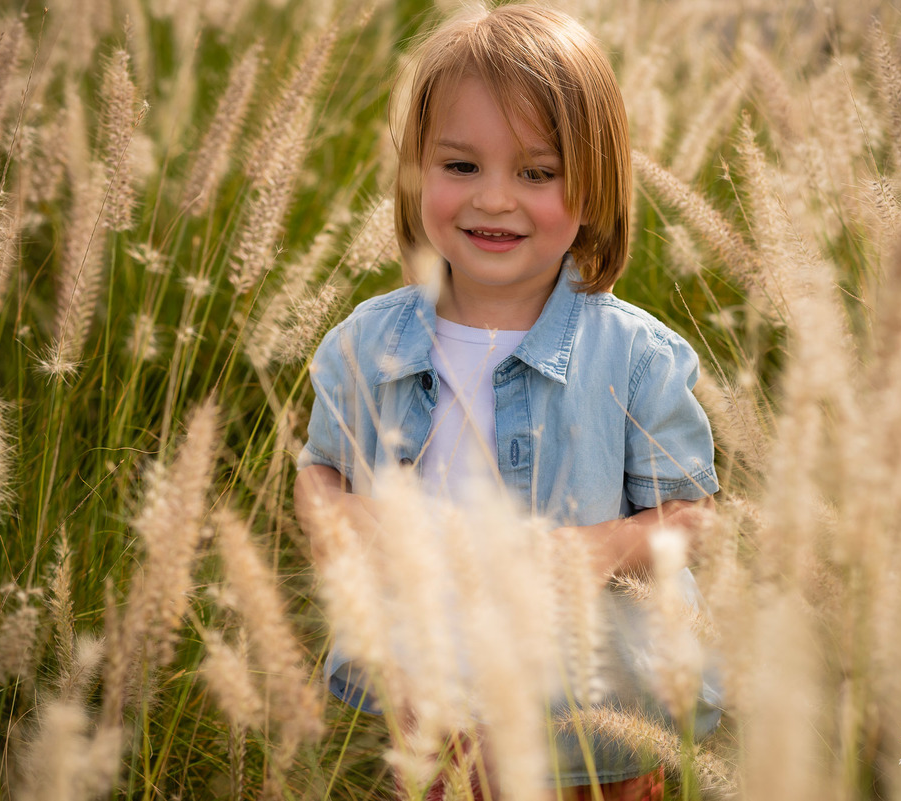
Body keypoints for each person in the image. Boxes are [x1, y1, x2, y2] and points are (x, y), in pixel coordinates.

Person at [294, 4, 722, 798]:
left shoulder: (635, 357)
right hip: (437, 703)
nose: (495, 199)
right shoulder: (366, 344)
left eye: (537, 172)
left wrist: (598, 547)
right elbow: (320, 468)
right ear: (416, 171)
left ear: (594, 188)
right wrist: (340, 518)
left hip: (595, 724)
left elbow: (690, 514)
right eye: (460, 167)